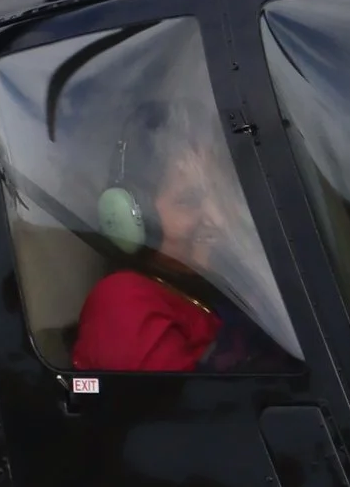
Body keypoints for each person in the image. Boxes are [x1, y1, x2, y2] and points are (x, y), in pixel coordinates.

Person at [71, 129, 298, 376]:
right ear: (132, 218)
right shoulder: (123, 301)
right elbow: (183, 401)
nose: (218, 220)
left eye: (221, 195)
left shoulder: (230, 287)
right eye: (189, 201)